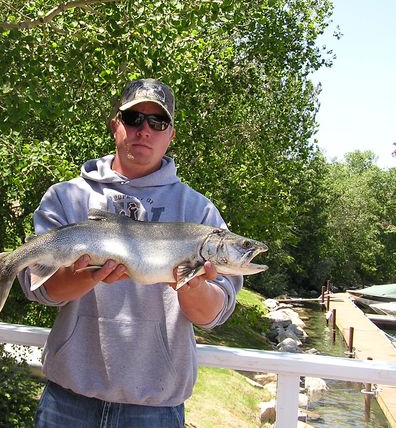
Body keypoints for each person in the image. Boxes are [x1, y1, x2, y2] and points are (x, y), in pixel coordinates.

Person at [18, 78, 243, 427]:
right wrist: (85, 276)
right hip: (69, 398)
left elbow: (212, 315)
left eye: (158, 122)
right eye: (134, 118)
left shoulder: (199, 213)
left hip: (154, 407)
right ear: (115, 126)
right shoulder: (66, 197)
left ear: (171, 134)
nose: (144, 130)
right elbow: (41, 289)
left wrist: (194, 285)